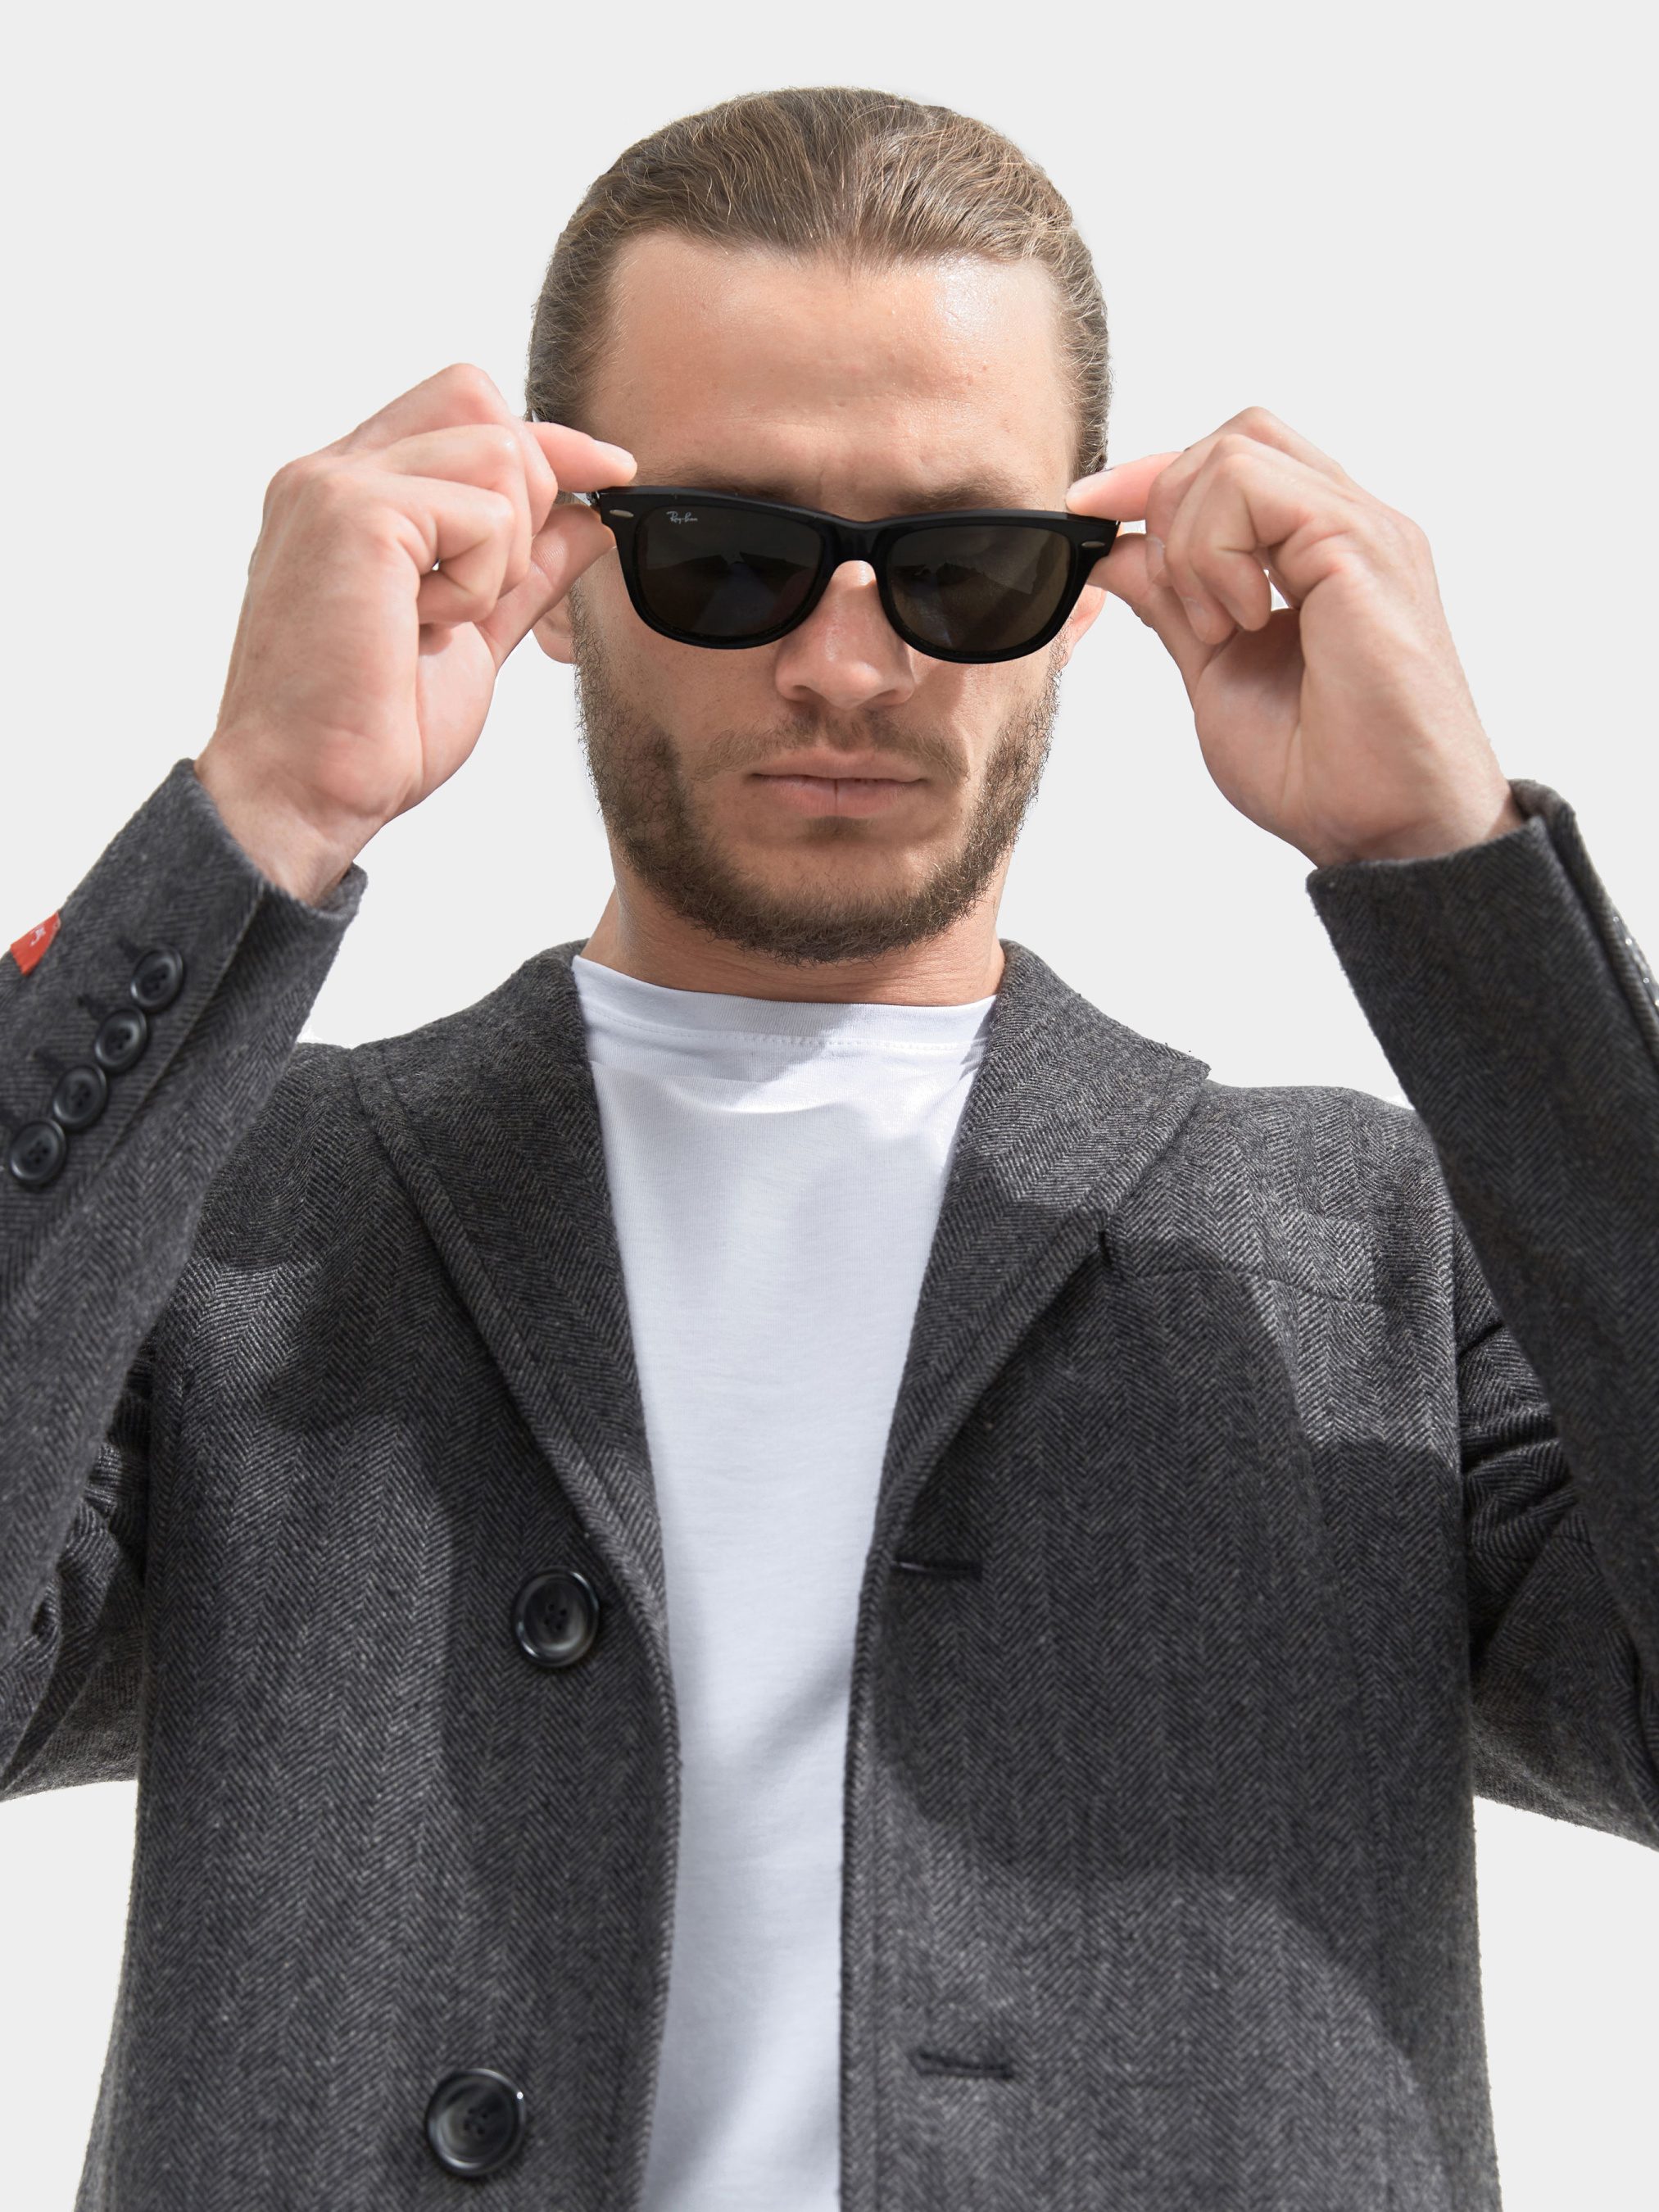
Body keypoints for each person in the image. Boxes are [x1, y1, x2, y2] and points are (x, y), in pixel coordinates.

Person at [2, 83, 1656, 2212]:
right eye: (730, 556)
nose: (848, 664)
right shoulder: (233, 1219)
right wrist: (250, 820)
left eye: (964, 567)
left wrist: (1460, 883)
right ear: (559, 572)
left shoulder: (1370, 1249)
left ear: (1083, 589)